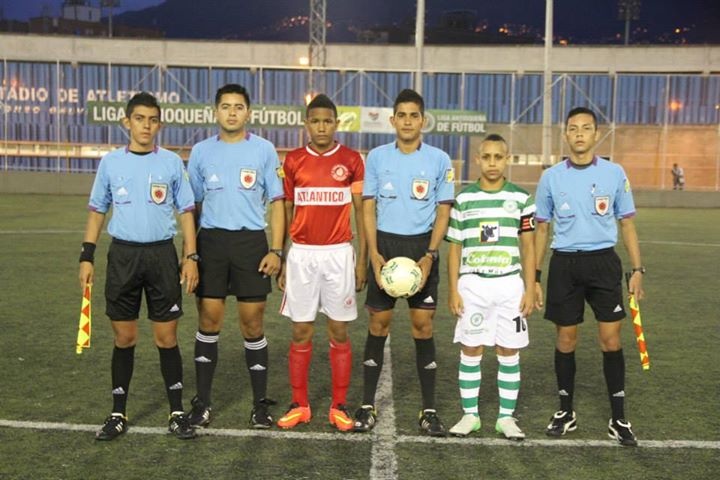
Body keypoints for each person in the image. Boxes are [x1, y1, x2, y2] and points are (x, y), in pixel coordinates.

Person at [79, 92, 199, 441]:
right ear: (126, 122)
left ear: (159, 124)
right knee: (124, 337)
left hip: (162, 256)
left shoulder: (172, 163)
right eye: (140, 119)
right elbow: (97, 209)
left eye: (152, 120)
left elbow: (187, 211)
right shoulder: (111, 163)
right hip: (123, 256)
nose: (146, 125)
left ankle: (177, 413)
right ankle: (118, 413)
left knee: (166, 337)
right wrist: (86, 255)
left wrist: (190, 257)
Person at [534, 106, 645, 447]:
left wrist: (637, 270)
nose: (579, 133)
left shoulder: (614, 173)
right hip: (565, 264)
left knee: (610, 340)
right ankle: (566, 412)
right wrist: (535, 276)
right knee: (566, 340)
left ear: (596, 134)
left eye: (586, 128)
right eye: (573, 128)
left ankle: (618, 417)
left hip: (603, 264)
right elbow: (541, 227)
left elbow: (627, 223)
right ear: (565, 135)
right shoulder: (551, 177)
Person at [353, 88, 454, 437]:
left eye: (414, 115)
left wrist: (430, 255)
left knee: (422, 327)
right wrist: (373, 253)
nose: (408, 121)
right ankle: (367, 404)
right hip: (385, 244)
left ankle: (428, 410)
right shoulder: (378, 158)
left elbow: (443, 211)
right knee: (378, 324)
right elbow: (367, 206)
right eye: (402, 115)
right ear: (392, 120)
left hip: (420, 248)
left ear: (423, 120)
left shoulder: (440, 160)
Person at [186, 83, 285, 429]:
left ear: (248, 112)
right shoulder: (200, 152)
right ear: (215, 111)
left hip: (250, 245)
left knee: (252, 324)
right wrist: (191, 254)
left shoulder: (264, 150)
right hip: (211, 244)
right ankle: (202, 403)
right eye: (225, 106)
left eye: (238, 107)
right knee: (208, 321)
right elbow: (191, 207)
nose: (231, 112)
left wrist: (276, 249)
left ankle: (260, 405)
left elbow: (277, 202)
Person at [275, 94, 367, 431]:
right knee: (300, 330)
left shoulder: (352, 160)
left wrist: (362, 263)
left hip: (339, 253)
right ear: (306, 125)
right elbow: (285, 210)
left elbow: (360, 211)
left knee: (339, 330)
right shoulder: (293, 161)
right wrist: (283, 257)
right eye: (315, 121)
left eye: (327, 121)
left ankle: (339, 406)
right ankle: (300, 404)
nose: (322, 127)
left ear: (336, 123)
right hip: (302, 254)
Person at [446, 134, 536, 440]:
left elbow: (529, 244)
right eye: (487, 157)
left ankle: (506, 418)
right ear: (477, 160)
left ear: (507, 159)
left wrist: (530, 285)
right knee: (471, 348)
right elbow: (455, 247)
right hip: (472, 284)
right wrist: (453, 289)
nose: (493, 163)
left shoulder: (523, 199)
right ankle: (470, 415)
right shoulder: (463, 199)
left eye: (499, 157)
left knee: (508, 350)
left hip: (510, 284)